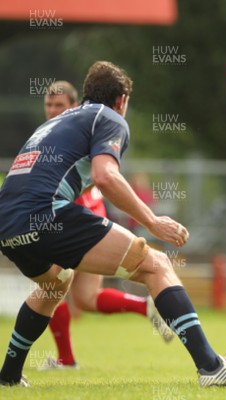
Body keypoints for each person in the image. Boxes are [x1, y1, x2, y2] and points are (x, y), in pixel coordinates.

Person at [0, 61, 226, 387]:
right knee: (155, 263)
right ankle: (211, 366)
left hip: (7, 224)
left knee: (55, 284)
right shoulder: (109, 117)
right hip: (45, 214)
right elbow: (105, 176)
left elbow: (66, 178)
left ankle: (9, 377)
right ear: (122, 99)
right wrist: (152, 222)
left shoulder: (58, 123)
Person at [40, 81, 174, 371]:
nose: (53, 111)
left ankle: (64, 360)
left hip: (70, 218)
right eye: (49, 105)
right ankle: (145, 306)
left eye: (59, 105)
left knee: (49, 286)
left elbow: (101, 175)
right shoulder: (62, 132)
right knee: (86, 299)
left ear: (74, 106)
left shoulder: (77, 132)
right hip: (85, 213)